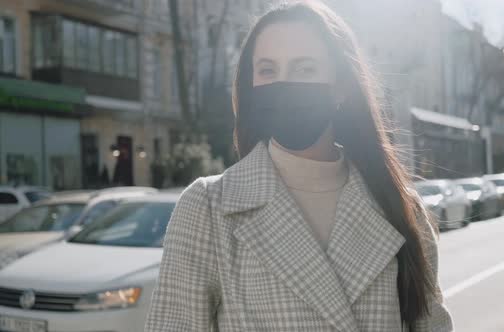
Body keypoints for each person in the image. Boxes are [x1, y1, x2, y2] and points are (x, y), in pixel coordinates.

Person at [145, 1, 454, 331]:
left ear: (341, 88)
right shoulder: (208, 208)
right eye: (267, 70)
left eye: (304, 69)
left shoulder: (401, 209)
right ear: (250, 87)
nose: (283, 86)